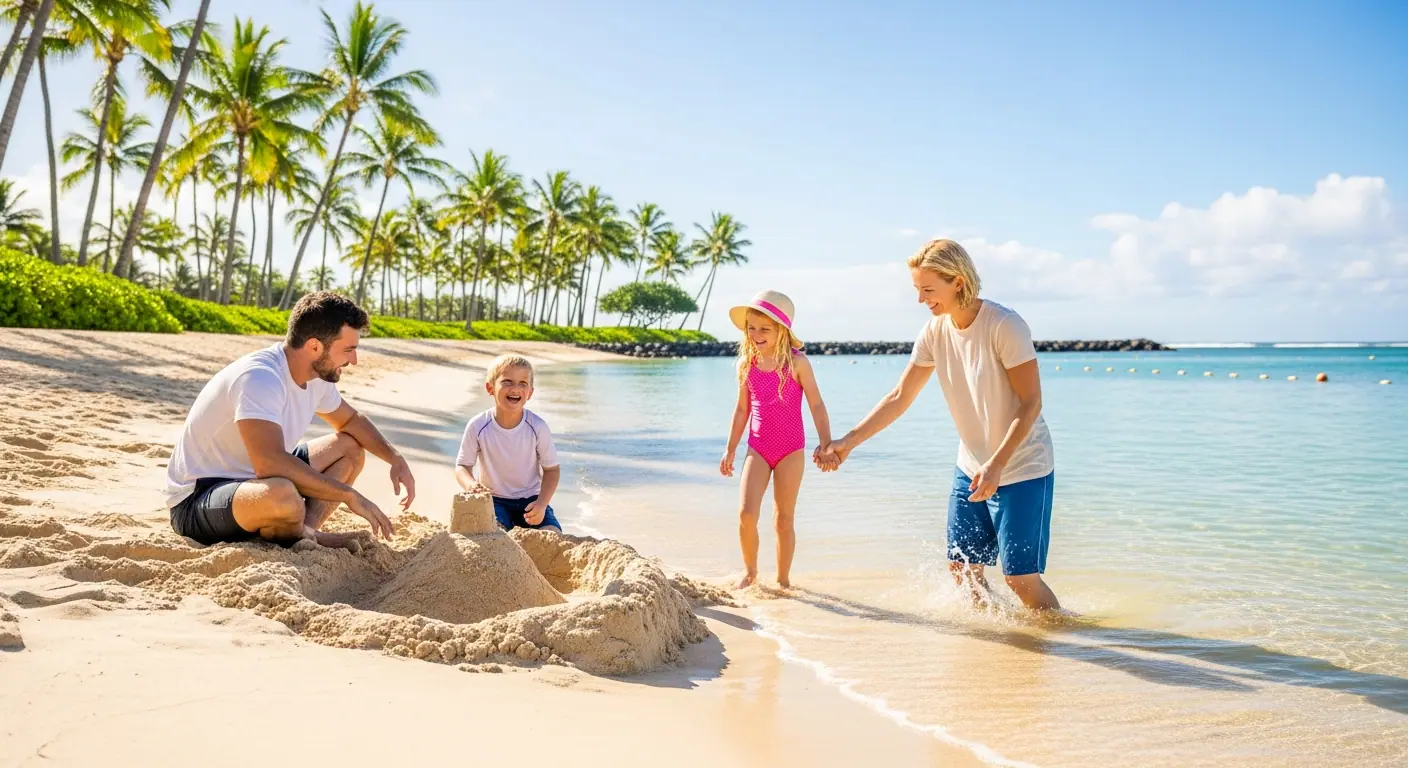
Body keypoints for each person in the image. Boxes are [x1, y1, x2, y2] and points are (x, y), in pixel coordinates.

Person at [817, 240, 1062, 612]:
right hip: (971, 466)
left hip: (1022, 465)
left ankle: (1055, 644)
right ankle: (999, 656)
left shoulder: (1005, 325)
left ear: (958, 282)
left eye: (928, 290)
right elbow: (901, 395)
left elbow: (1032, 403)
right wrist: (848, 442)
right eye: (917, 290)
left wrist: (996, 464)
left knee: (1020, 580)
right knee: (963, 570)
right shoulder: (934, 332)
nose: (921, 300)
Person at [165, 291, 415, 549]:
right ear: (314, 346)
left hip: (254, 483)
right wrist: (348, 495)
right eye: (348, 350)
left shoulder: (316, 376)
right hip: (198, 499)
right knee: (284, 495)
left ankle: (304, 532)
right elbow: (269, 463)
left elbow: (351, 420)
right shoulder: (261, 377)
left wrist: (395, 458)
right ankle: (308, 535)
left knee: (349, 449)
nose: (354, 360)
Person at [721, 290, 832, 590]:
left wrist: (826, 443)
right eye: (751, 328)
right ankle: (751, 572)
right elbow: (742, 409)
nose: (756, 335)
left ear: (781, 331)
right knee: (746, 514)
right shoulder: (747, 364)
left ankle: (783, 582)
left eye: (764, 329)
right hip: (757, 448)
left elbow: (817, 405)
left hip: (791, 450)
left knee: (783, 520)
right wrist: (731, 449)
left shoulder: (797, 363)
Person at [454, 354, 563, 533]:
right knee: (494, 535)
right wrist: (471, 486)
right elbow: (462, 466)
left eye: (523, 383)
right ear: (490, 388)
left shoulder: (537, 427)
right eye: (507, 382)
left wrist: (542, 504)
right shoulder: (478, 425)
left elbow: (552, 470)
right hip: (492, 499)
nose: (515, 389)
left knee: (553, 534)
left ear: (530, 393)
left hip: (531, 500)